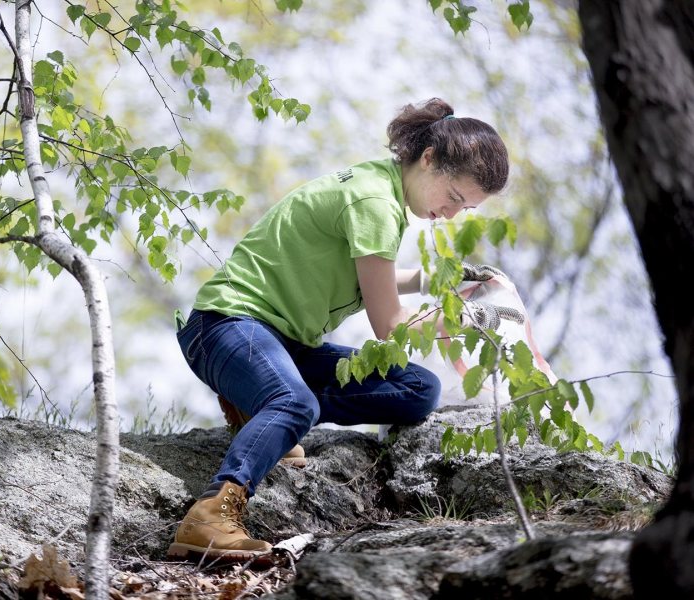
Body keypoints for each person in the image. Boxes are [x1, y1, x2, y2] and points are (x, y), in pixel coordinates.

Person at [167, 98, 510, 565]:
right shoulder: (376, 204)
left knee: (418, 388)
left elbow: (371, 274)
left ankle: (265, 412)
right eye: (453, 197)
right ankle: (211, 514)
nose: (451, 214)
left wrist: (439, 278)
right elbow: (388, 324)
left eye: (464, 208)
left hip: (281, 342)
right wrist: (468, 320)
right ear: (429, 159)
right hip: (228, 325)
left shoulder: (379, 184)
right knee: (294, 402)